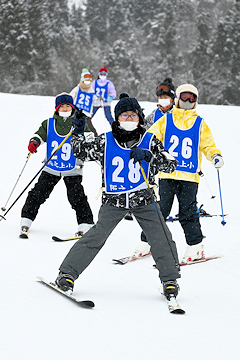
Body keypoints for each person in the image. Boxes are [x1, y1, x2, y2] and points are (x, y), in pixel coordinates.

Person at [54, 93, 181, 301]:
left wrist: (151, 156)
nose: (129, 120)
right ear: (117, 119)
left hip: (144, 198)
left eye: (133, 116)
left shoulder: (149, 140)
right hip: (114, 200)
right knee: (96, 236)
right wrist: (77, 132)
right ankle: (67, 274)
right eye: (124, 116)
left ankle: (170, 280)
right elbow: (80, 152)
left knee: (160, 236)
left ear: (140, 118)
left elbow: (171, 163)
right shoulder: (105, 140)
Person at [133, 83, 224, 264]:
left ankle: (195, 247)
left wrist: (215, 155)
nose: (188, 101)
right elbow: (151, 136)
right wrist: (142, 149)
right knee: (160, 211)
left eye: (192, 98)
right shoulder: (166, 120)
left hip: (190, 176)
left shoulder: (199, 122)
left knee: (188, 212)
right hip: (168, 174)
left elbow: (208, 144)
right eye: (184, 97)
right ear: (177, 99)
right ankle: (147, 242)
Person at [20, 93, 94, 238]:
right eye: (62, 106)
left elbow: (91, 139)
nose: (65, 108)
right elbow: (39, 135)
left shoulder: (79, 123)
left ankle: (85, 223)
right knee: (38, 193)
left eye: (68, 106)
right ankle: (26, 218)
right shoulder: (49, 123)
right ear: (57, 108)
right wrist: (34, 142)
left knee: (76, 197)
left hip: (72, 168)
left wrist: (83, 132)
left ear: (72, 107)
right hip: (52, 167)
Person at [125, 78, 176, 221]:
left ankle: (186, 208)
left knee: (177, 185)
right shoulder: (154, 114)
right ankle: (136, 207)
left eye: (166, 97)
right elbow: (144, 130)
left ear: (172, 99)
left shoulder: (178, 114)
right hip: (156, 153)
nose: (163, 100)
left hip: (174, 154)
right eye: (160, 97)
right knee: (147, 180)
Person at [70, 68, 98, 137]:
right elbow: (70, 96)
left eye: (89, 80)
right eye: (86, 80)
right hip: (77, 113)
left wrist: (99, 100)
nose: (87, 82)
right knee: (77, 128)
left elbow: (96, 102)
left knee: (90, 129)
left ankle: (94, 139)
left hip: (86, 114)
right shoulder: (78, 88)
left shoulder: (91, 90)